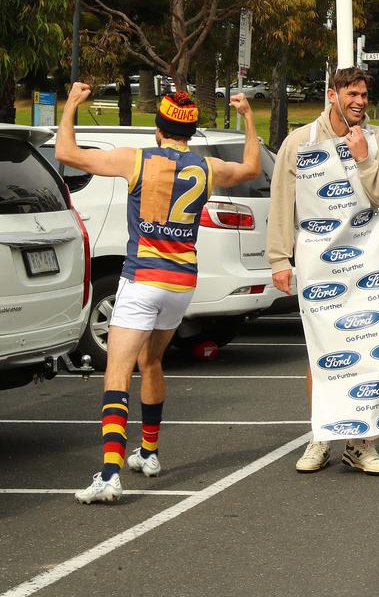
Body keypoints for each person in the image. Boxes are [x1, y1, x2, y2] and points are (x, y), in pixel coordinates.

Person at [57, 83, 261, 503]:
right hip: (182, 282)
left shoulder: (138, 161)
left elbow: (67, 154)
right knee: (151, 361)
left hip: (143, 278)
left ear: (158, 128)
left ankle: (109, 475)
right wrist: (247, 117)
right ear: (188, 132)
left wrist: (73, 105)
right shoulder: (207, 167)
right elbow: (251, 169)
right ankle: (148, 454)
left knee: (117, 372)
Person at [269, 67, 379, 477]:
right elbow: (282, 203)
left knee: (371, 354)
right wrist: (279, 259)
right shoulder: (300, 143)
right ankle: (321, 436)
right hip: (318, 265)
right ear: (331, 94)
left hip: (370, 265)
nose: (359, 101)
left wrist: (364, 160)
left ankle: (362, 444)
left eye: (364, 95)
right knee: (322, 353)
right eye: (351, 93)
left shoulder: (378, 140)